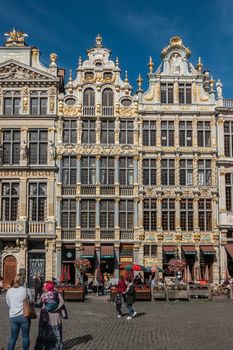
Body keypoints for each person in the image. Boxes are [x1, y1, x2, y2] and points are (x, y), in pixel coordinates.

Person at [34, 281, 65, 350]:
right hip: (55, 316)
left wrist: (34, 304)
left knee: (45, 332)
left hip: (46, 316)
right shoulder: (57, 293)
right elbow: (62, 302)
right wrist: (56, 308)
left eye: (45, 286)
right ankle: (56, 347)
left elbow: (40, 304)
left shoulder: (43, 295)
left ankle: (44, 347)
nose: (44, 287)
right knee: (56, 332)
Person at [6, 274, 32, 350]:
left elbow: (8, 303)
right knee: (25, 336)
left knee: (13, 337)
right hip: (24, 315)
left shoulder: (9, 291)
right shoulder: (26, 290)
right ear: (23, 281)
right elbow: (30, 301)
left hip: (13, 316)